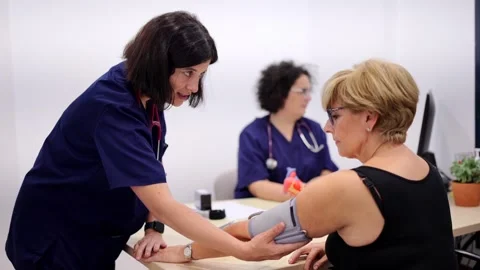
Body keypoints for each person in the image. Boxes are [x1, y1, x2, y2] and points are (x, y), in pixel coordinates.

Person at [5, 11, 307, 270]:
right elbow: (162, 202)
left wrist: (153, 227)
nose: (193, 86)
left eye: (201, 74)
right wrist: (242, 250)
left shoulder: (146, 95)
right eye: (188, 73)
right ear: (157, 63)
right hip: (57, 242)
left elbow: (151, 172)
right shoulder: (114, 109)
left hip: (94, 237)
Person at [143, 59, 458, 270]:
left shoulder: (349, 186)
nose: (326, 127)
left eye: (335, 115)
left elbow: (251, 233)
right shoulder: (427, 172)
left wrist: (184, 252)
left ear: (369, 118)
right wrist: (338, 248)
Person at [234, 61, 338, 201]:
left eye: (309, 91)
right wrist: (304, 194)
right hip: (267, 210)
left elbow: (327, 171)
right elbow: (257, 185)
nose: (309, 98)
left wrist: (310, 193)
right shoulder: (252, 134)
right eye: (302, 91)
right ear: (281, 93)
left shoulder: (313, 130)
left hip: (311, 207)